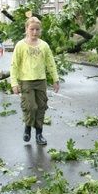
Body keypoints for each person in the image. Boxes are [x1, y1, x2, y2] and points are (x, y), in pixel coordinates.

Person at [10, 17, 60, 145]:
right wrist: (14, 83)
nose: (34, 32)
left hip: (41, 81)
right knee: (31, 107)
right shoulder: (20, 45)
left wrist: (55, 79)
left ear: (40, 30)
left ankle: (39, 134)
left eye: (37, 29)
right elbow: (14, 65)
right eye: (31, 29)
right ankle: (27, 127)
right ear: (26, 29)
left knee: (41, 107)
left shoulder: (44, 45)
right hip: (26, 81)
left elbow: (50, 63)